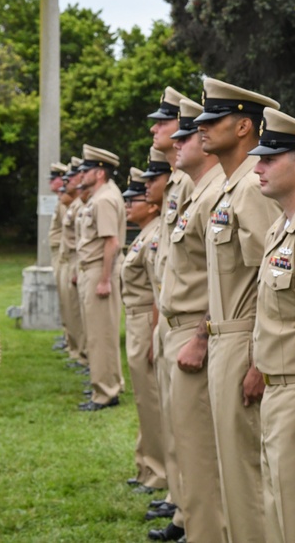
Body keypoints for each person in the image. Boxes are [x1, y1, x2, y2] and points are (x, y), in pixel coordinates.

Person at [190, 78, 281, 543]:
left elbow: (274, 280)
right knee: (231, 463)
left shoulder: (249, 189)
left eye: (213, 120)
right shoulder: (233, 187)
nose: (202, 129)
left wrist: (258, 359)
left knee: (248, 474)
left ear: (244, 126)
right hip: (226, 336)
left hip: (244, 339)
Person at [249, 107, 295, 543]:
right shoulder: (282, 225)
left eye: (268, 158)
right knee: (278, 510)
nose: (257, 167)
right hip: (277, 388)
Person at [156, 97, 226, 543]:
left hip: (200, 330)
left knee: (204, 451)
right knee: (187, 441)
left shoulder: (220, 190)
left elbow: (237, 279)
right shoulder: (197, 188)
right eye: (183, 130)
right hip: (179, 324)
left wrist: (199, 336)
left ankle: (204, 530)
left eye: (193, 130)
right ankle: (191, 522)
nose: (186, 138)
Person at [147, 88, 195, 530]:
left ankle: (191, 515)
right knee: (177, 424)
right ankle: (182, 504)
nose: (163, 133)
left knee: (198, 439)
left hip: (198, 327)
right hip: (174, 318)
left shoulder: (197, 182)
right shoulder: (179, 181)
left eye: (178, 128)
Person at [120, 168, 168, 494]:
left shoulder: (155, 233)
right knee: (143, 401)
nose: (127, 205)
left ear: (151, 206)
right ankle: (145, 465)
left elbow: (156, 290)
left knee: (152, 402)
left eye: (133, 199)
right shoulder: (145, 232)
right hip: (135, 320)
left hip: (146, 321)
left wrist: (153, 333)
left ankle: (158, 473)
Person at [75, 144, 127, 412]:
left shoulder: (105, 198)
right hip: (94, 269)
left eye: (86, 170)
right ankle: (107, 383)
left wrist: (105, 279)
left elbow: (111, 242)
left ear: (98, 173)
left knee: (100, 335)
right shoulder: (101, 196)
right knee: (99, 333)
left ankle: (105, 393)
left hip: (99, 270)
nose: (81, 175)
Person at [57, 158, 87, 368]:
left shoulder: (84, 204)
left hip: (80, 262)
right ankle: (77, 350)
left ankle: (84, 356)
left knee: (80, 315)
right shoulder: (73, 204)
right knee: (72, 311)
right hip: (70, 259)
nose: (65, 183)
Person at [48, 162, 68, 351]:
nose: (50, 182)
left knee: (68, 302)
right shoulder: (62, 200)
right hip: (59, 253)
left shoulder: (66, 202)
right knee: (64, 300)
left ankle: (70, 340)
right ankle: (68, 338)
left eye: (54, 178)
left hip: (64, 255)